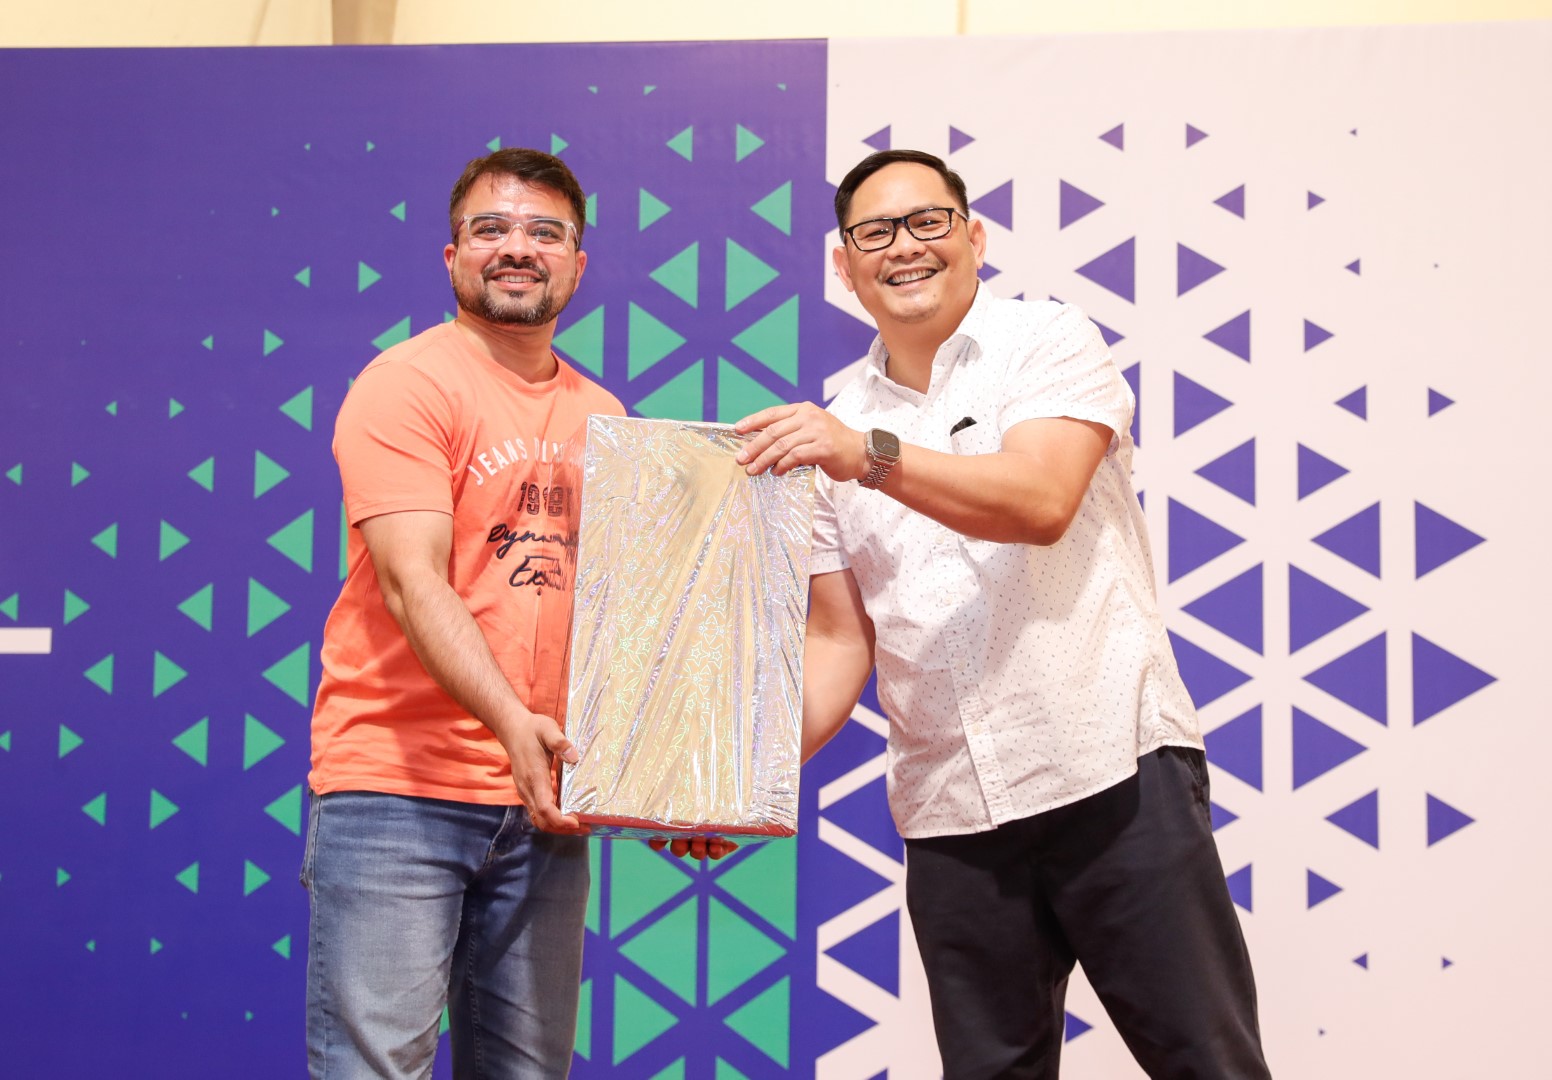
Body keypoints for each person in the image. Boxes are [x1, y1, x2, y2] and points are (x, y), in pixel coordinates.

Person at [736, 149, 1272, 1079]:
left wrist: (865, 455)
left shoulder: (1045, 341)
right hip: (951, 813)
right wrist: (741, 784)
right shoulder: (837, 421)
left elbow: (1040, 500)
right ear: (844, 265)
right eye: (876, 232)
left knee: (1208, 1064)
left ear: (974, 237)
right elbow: (837, 639)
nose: (905, 247)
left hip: (1110, 770)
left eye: (928, 222)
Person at [304, 147, 624, 1079]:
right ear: (453, 257)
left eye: (544, 233)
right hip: (397, 793)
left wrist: (678, 779)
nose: (517, 248)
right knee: (374, 1068)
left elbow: (626, 615)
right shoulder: (406, 384)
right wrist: (512, 724)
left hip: (541, 802)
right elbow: (413, 583)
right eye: (491, 229)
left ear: (576, 264)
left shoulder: (606, 414)